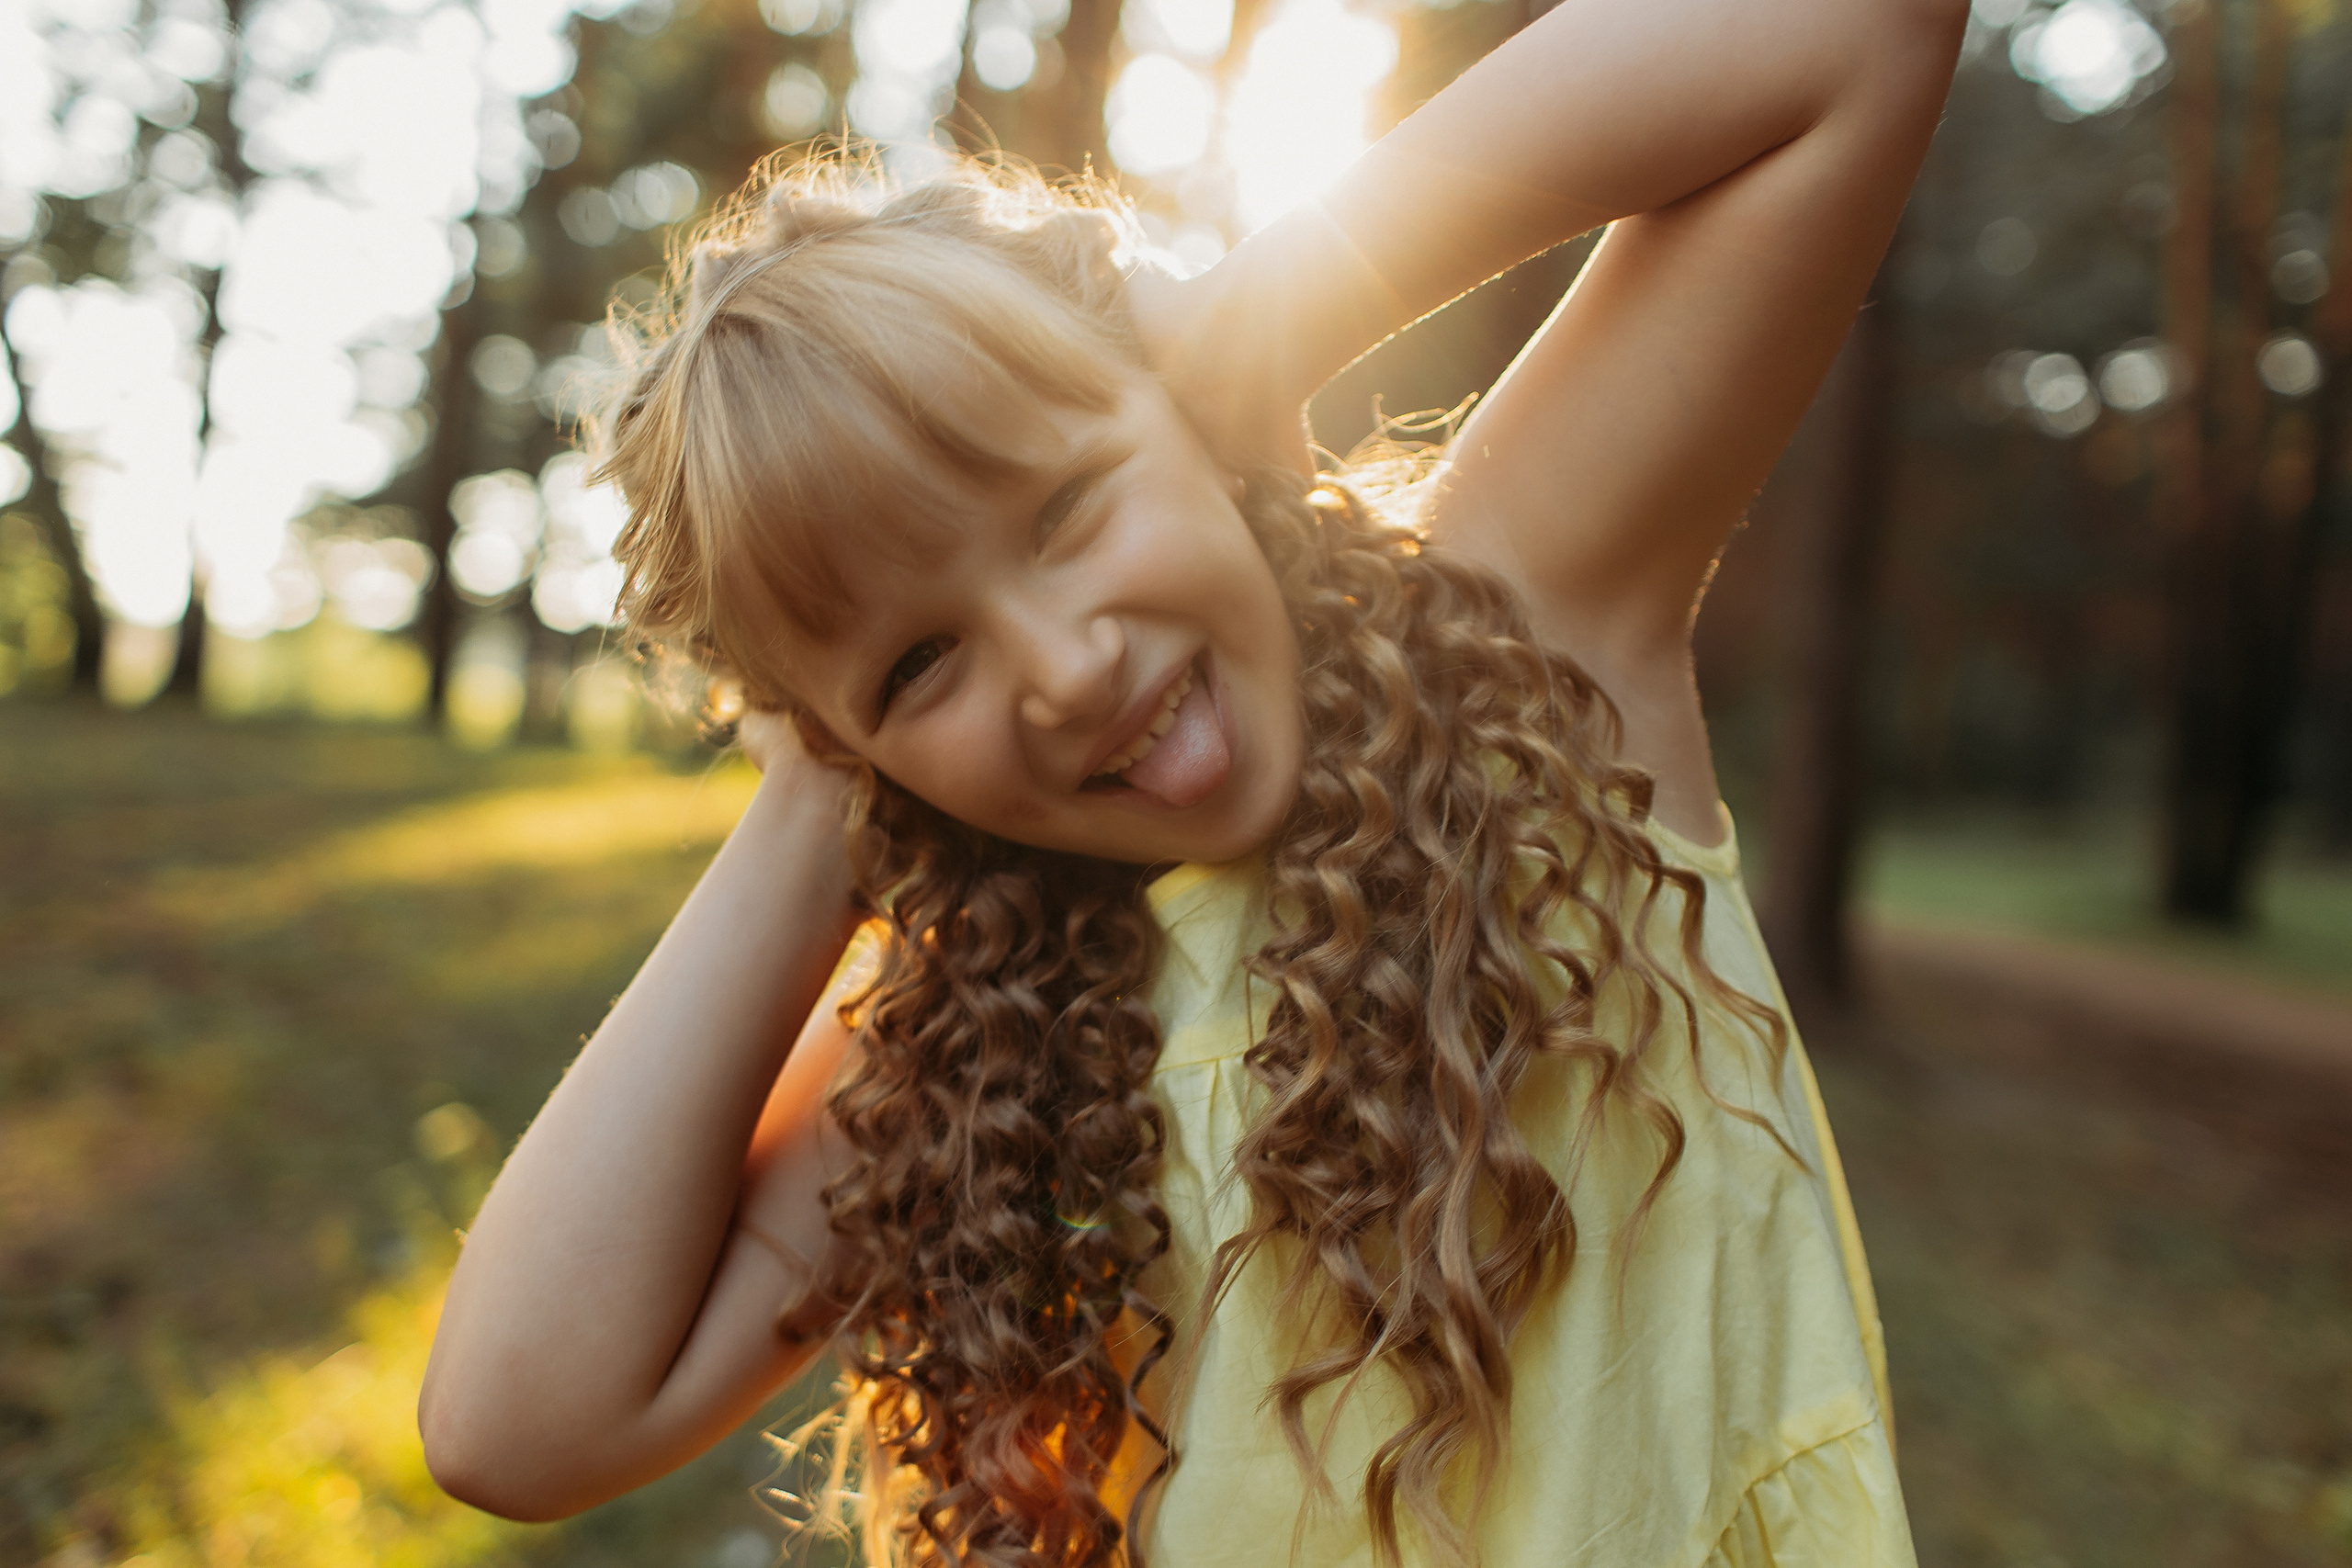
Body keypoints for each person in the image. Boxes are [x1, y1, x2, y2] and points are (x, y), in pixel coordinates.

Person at [419, 0, 1967, 1562]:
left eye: (1067, 506)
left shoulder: (1523, 671)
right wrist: (824, 785)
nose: (1065, 667)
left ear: (1198, 417)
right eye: (921, 665)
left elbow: (1849, 34)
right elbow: (514, 1421)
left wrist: (1256, 311)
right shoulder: (975, 1065)